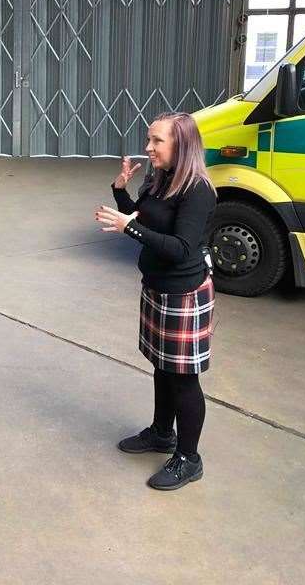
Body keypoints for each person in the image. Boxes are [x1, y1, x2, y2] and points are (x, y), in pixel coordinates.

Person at [94, 112, 216, 491]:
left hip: (183, 294)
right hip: (157, 288)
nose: (148, 148)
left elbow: (180, 248)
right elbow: (143, 218)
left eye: (156, 141)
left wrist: (128, 226)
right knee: (162, 368)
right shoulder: (159, 180)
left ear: (182, 145)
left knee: (183, 380)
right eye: (149, 140)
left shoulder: (198, 190)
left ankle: (189, 458)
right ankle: (162, 433)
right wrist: (119, 190)